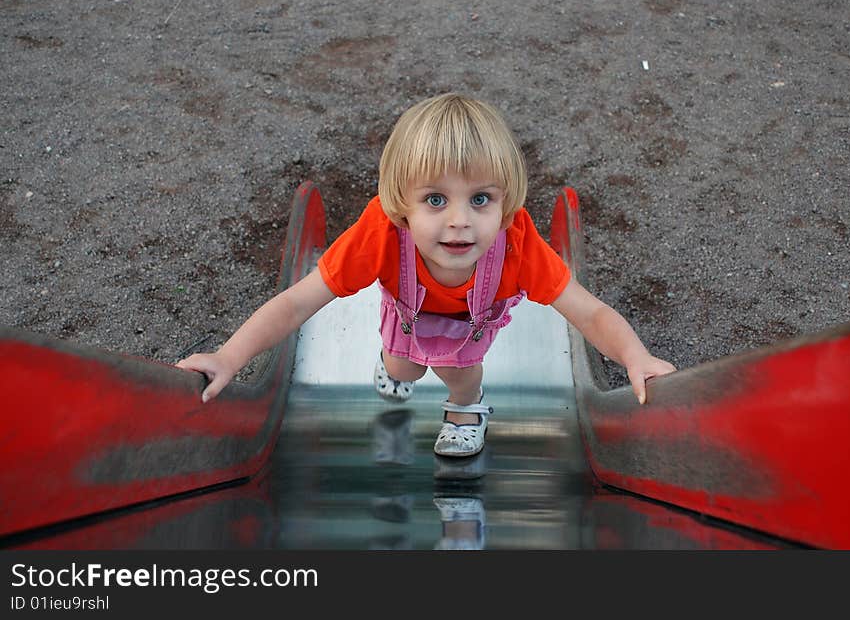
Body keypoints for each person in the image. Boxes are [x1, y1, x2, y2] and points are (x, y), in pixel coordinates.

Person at [176, 93, 676, 458]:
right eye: (435, 200)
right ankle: (398, 367)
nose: (459, 220)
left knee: (458, 374)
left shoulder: (516, 242)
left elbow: (588, 312)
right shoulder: (381, 232)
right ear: (401, 206)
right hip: (408, 318)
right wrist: (228, 356)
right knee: (402, 370)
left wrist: (636, 355)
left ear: (504, 207)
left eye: (480, 199)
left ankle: (466, 408)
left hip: (468, 329)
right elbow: (295, 304)